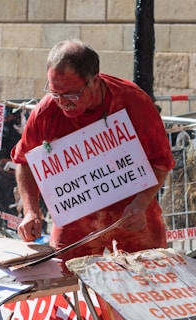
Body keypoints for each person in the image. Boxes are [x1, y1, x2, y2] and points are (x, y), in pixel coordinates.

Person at [11, 39, 175, 261]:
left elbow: (161, 162)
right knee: (62, 282)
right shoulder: (46, 111)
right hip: (75, 223)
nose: (62, 103)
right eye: (54, 92)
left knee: (148, 282)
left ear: (95, 81)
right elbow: (24, 160)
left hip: (132, 219)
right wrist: (31, 210)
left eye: (70, 95)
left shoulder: (132, 102)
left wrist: (141, 203)